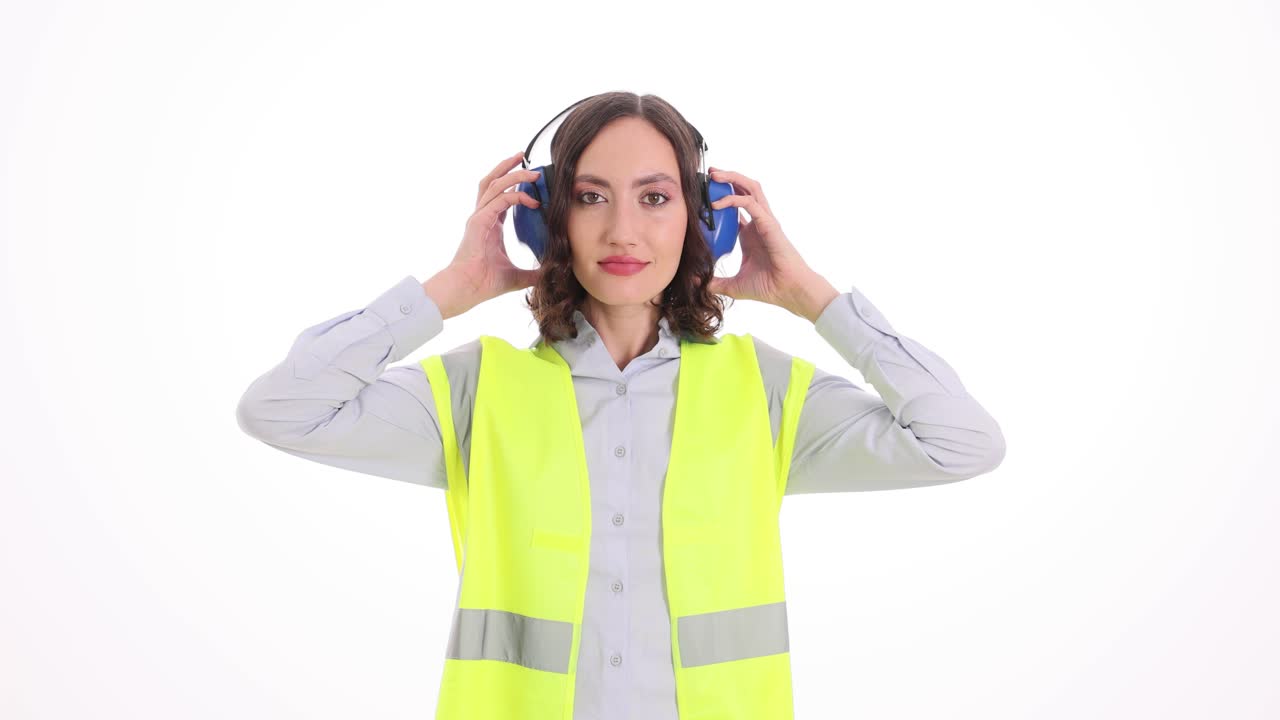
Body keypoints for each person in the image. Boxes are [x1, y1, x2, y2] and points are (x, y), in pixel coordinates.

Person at [236, 91, 1006, 720]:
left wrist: (812, 297)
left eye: (656, 197)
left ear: (705, 221)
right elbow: (281, 410)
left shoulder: (764, 392)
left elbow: (961, 442)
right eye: (589, 196)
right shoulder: (476, 392)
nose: (623, 229)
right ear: (546, 221)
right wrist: (449, 289)